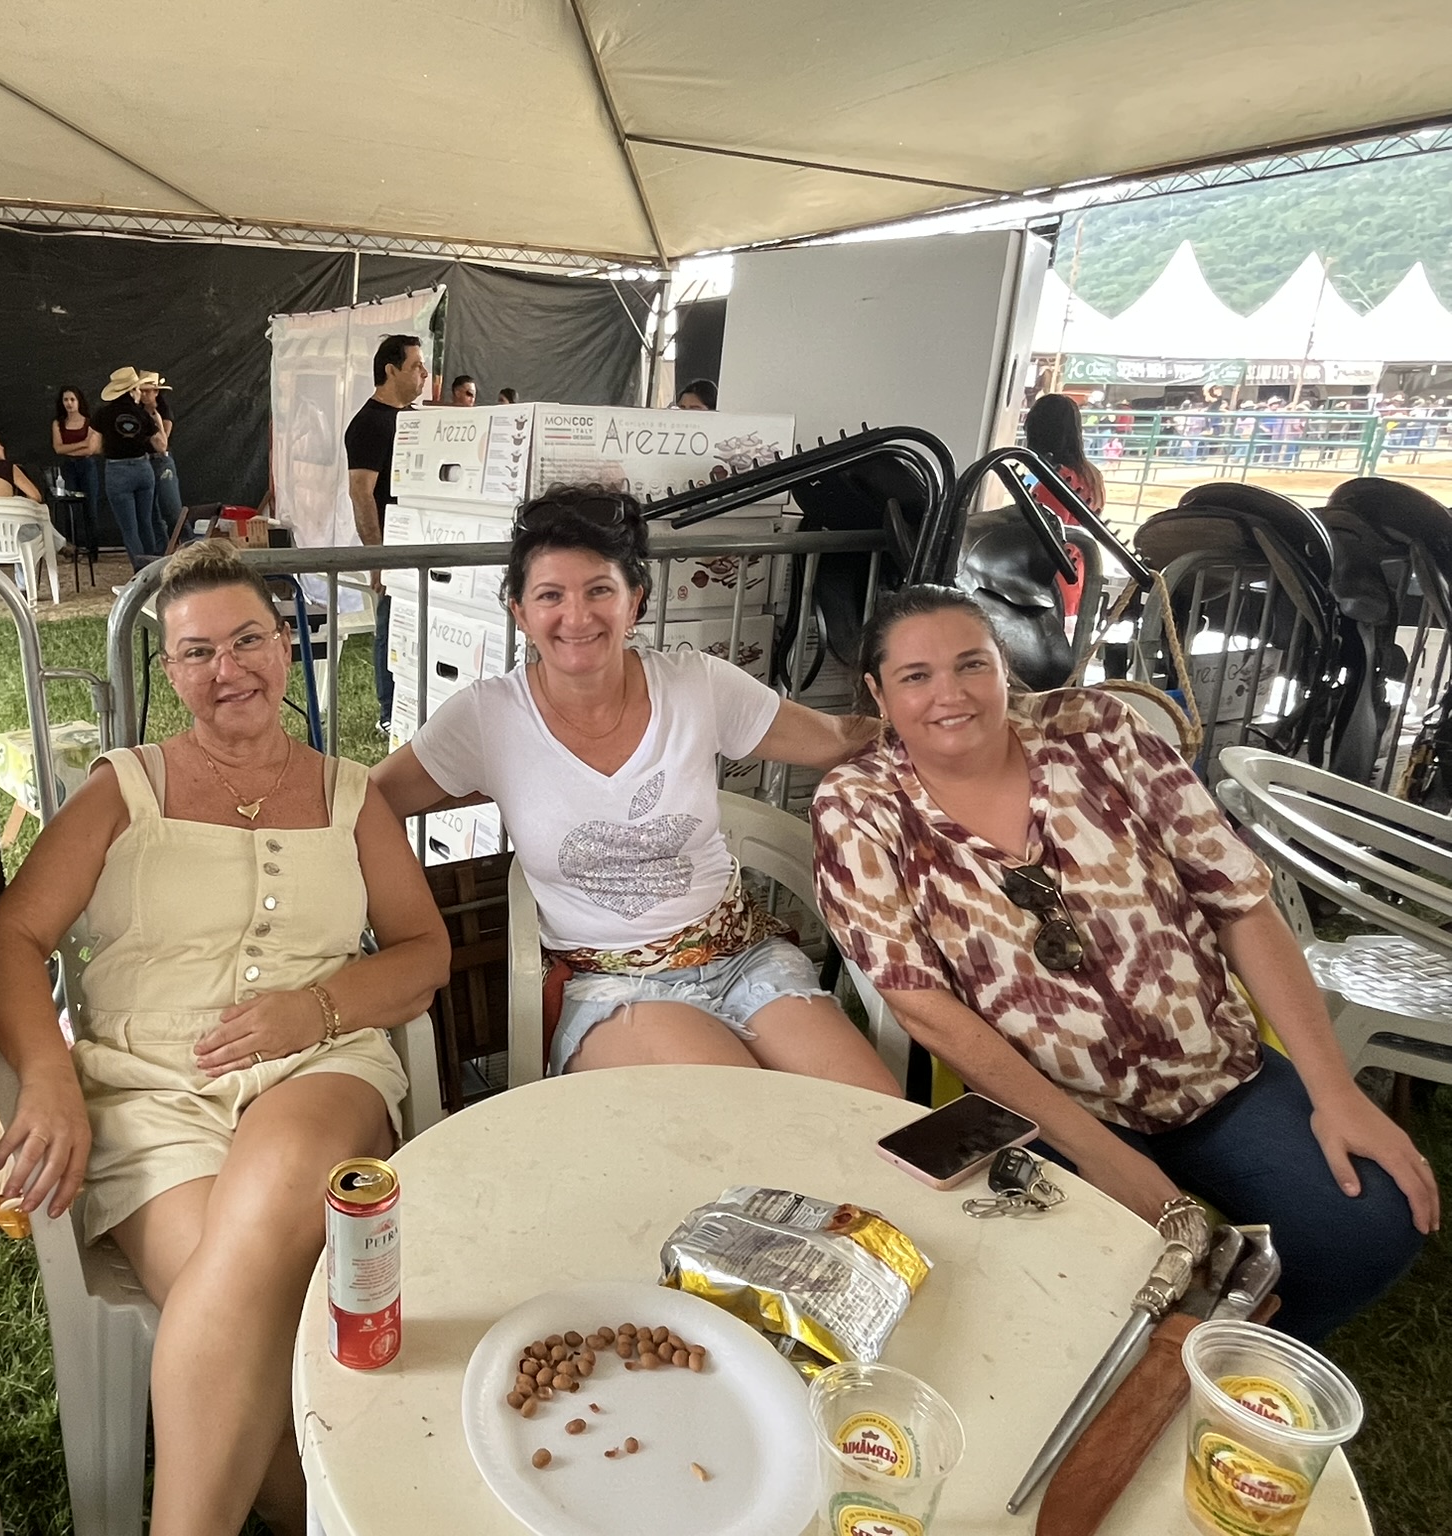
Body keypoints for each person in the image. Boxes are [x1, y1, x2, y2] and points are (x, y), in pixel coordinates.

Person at [811, 585, 1437, 1343]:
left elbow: (1239, 902)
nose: (951, 695)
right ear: (879, 693)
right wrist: (1099, 1153)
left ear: (1004, 666)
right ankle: (1153, 1362)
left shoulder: (1098, 731)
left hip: (1209, 1066)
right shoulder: (859, 804)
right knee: (1086, 1287)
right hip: (1044, 1105)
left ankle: (1235, 1355)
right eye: (916, 676)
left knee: (1370, 1223)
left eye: (971, 664)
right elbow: (922, 1005)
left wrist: (1335, 1091)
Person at [0, 539, 450, 1536]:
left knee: (255, 1236)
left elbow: (424, 952)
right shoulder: (123, 788)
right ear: (169, 668)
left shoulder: (349, 794)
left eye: (246, 641)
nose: (226, 669)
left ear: (285, 646)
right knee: (251, 1331)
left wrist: (315, 1011)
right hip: (149, 1091)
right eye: (196, 652)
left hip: (317, 1063)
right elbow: (12, 935)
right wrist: (49, 1076)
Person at [372, 487, 899, 1091]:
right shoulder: (486, 718)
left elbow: (835, 739)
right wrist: (410, 917)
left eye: (600, 590)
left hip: (744, 955)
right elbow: (368, 804)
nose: (577, 617)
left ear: (635, 602)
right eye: (550, 595)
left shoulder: (696, 685)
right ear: (519, 611)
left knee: (875, 1115)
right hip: (613, 987)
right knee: (740, 1111)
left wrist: (958, 723)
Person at [345, 334, 428, 728]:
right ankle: (389, 713)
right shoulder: (368, 424)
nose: (424, 373)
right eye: (416, 366)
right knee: (391, 625)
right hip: (392, 546)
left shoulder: (414, 418)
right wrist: (377, 556)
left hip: (421, 540)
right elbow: (361, 492)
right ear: (391, 370)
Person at [1022, 393, 1106, 623]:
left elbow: (1040, 539)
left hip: (1048, 590)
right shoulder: (1091, 475)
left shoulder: (1054, 481)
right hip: (1076, 583)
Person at [93, 365, 172, 570]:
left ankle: (140, 571)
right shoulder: (142, 414)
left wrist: (112, 445)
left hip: (117, 470)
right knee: (146, 522)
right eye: (137, 389)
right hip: (143, 468)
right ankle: (154, 568)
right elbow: (161, 446)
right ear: (131, 391)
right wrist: (156, 420)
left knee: (129, 528)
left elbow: (94, 446)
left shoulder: (103, 414)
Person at [52, 385, 102, 549]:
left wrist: (70, 448)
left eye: (72, 399)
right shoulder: (58, 423)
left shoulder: (90, 422)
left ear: (79, 401)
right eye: (66, 400)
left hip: (87, 465)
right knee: (70, 509)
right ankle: (72, 547)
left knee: (90, 507)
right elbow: (58, 448)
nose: (69, 403)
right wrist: (83, 443)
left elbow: (91, 449)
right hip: (69, 466)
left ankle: (92, 548)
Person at [139, 371, 185, 543]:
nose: (144, 395)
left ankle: (186, 542)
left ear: (156, 392)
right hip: (143, 460)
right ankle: (162, 548)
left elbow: (163, 441)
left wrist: (156, 421)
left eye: (148, 391)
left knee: (171, 508)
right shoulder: (136, 411)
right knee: (151, 511)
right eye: (141, 391)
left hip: (161, 460)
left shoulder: (164, 411)